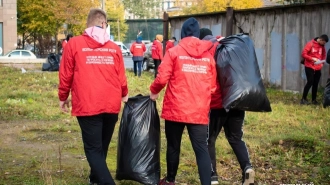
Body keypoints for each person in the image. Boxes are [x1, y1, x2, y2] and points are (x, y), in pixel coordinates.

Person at [58, 8, 128, 185]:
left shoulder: (74, 44)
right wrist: (124, 94)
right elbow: (121, 77)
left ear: (88, 24)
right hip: (111, 104)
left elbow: (66, 74)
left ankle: (104, 181)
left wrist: (62, 96)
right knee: (101, 146)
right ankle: (95, 179)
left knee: (94, 149)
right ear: (103, 24)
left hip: (88, 104)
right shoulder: (114, 48)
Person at [150, 17, 217, 185]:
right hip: (199, 110)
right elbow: (213, 86)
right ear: (197, 34)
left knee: (173, 146)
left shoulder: (174, 52)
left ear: (182, 34)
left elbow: (162, 77)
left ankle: (170, 180)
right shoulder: (208, 57)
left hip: (176, 108)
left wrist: (154, 91)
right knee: (201, 149)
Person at [199, 28, 255, 185]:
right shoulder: (227, 45)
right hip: (238, 100)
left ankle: (213, 177)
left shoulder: (206, 49)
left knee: (209, 140)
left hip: (217, 104)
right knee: (236, 137)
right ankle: (247, 167)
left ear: (201, 38)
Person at [301, 34, 328, 105]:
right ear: (321, 40)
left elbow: (324, 55)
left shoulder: (322, 47)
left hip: (318, 67)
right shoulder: (310, 44)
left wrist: (321, 64)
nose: (324, 44)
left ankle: (314, 100)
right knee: (310, 81)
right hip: (309, 66)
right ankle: (303, 99)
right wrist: (312, 58)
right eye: (324, 43)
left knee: (315, 83)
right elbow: (304, 54)